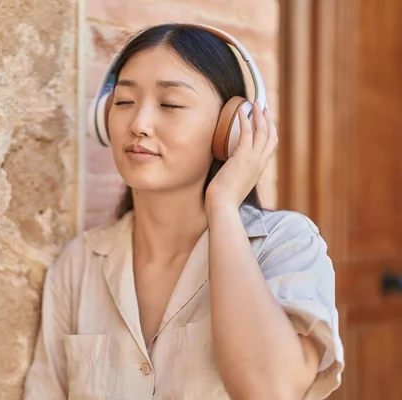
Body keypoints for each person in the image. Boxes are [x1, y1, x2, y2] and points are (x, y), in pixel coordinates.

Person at [23, 23, 344, 400]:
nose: (139, 124)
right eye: (124, 102)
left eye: (170, 104)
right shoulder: (78, 266)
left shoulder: (286, 246)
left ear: (232, 128)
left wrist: (223, 204)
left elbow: (268, 390)